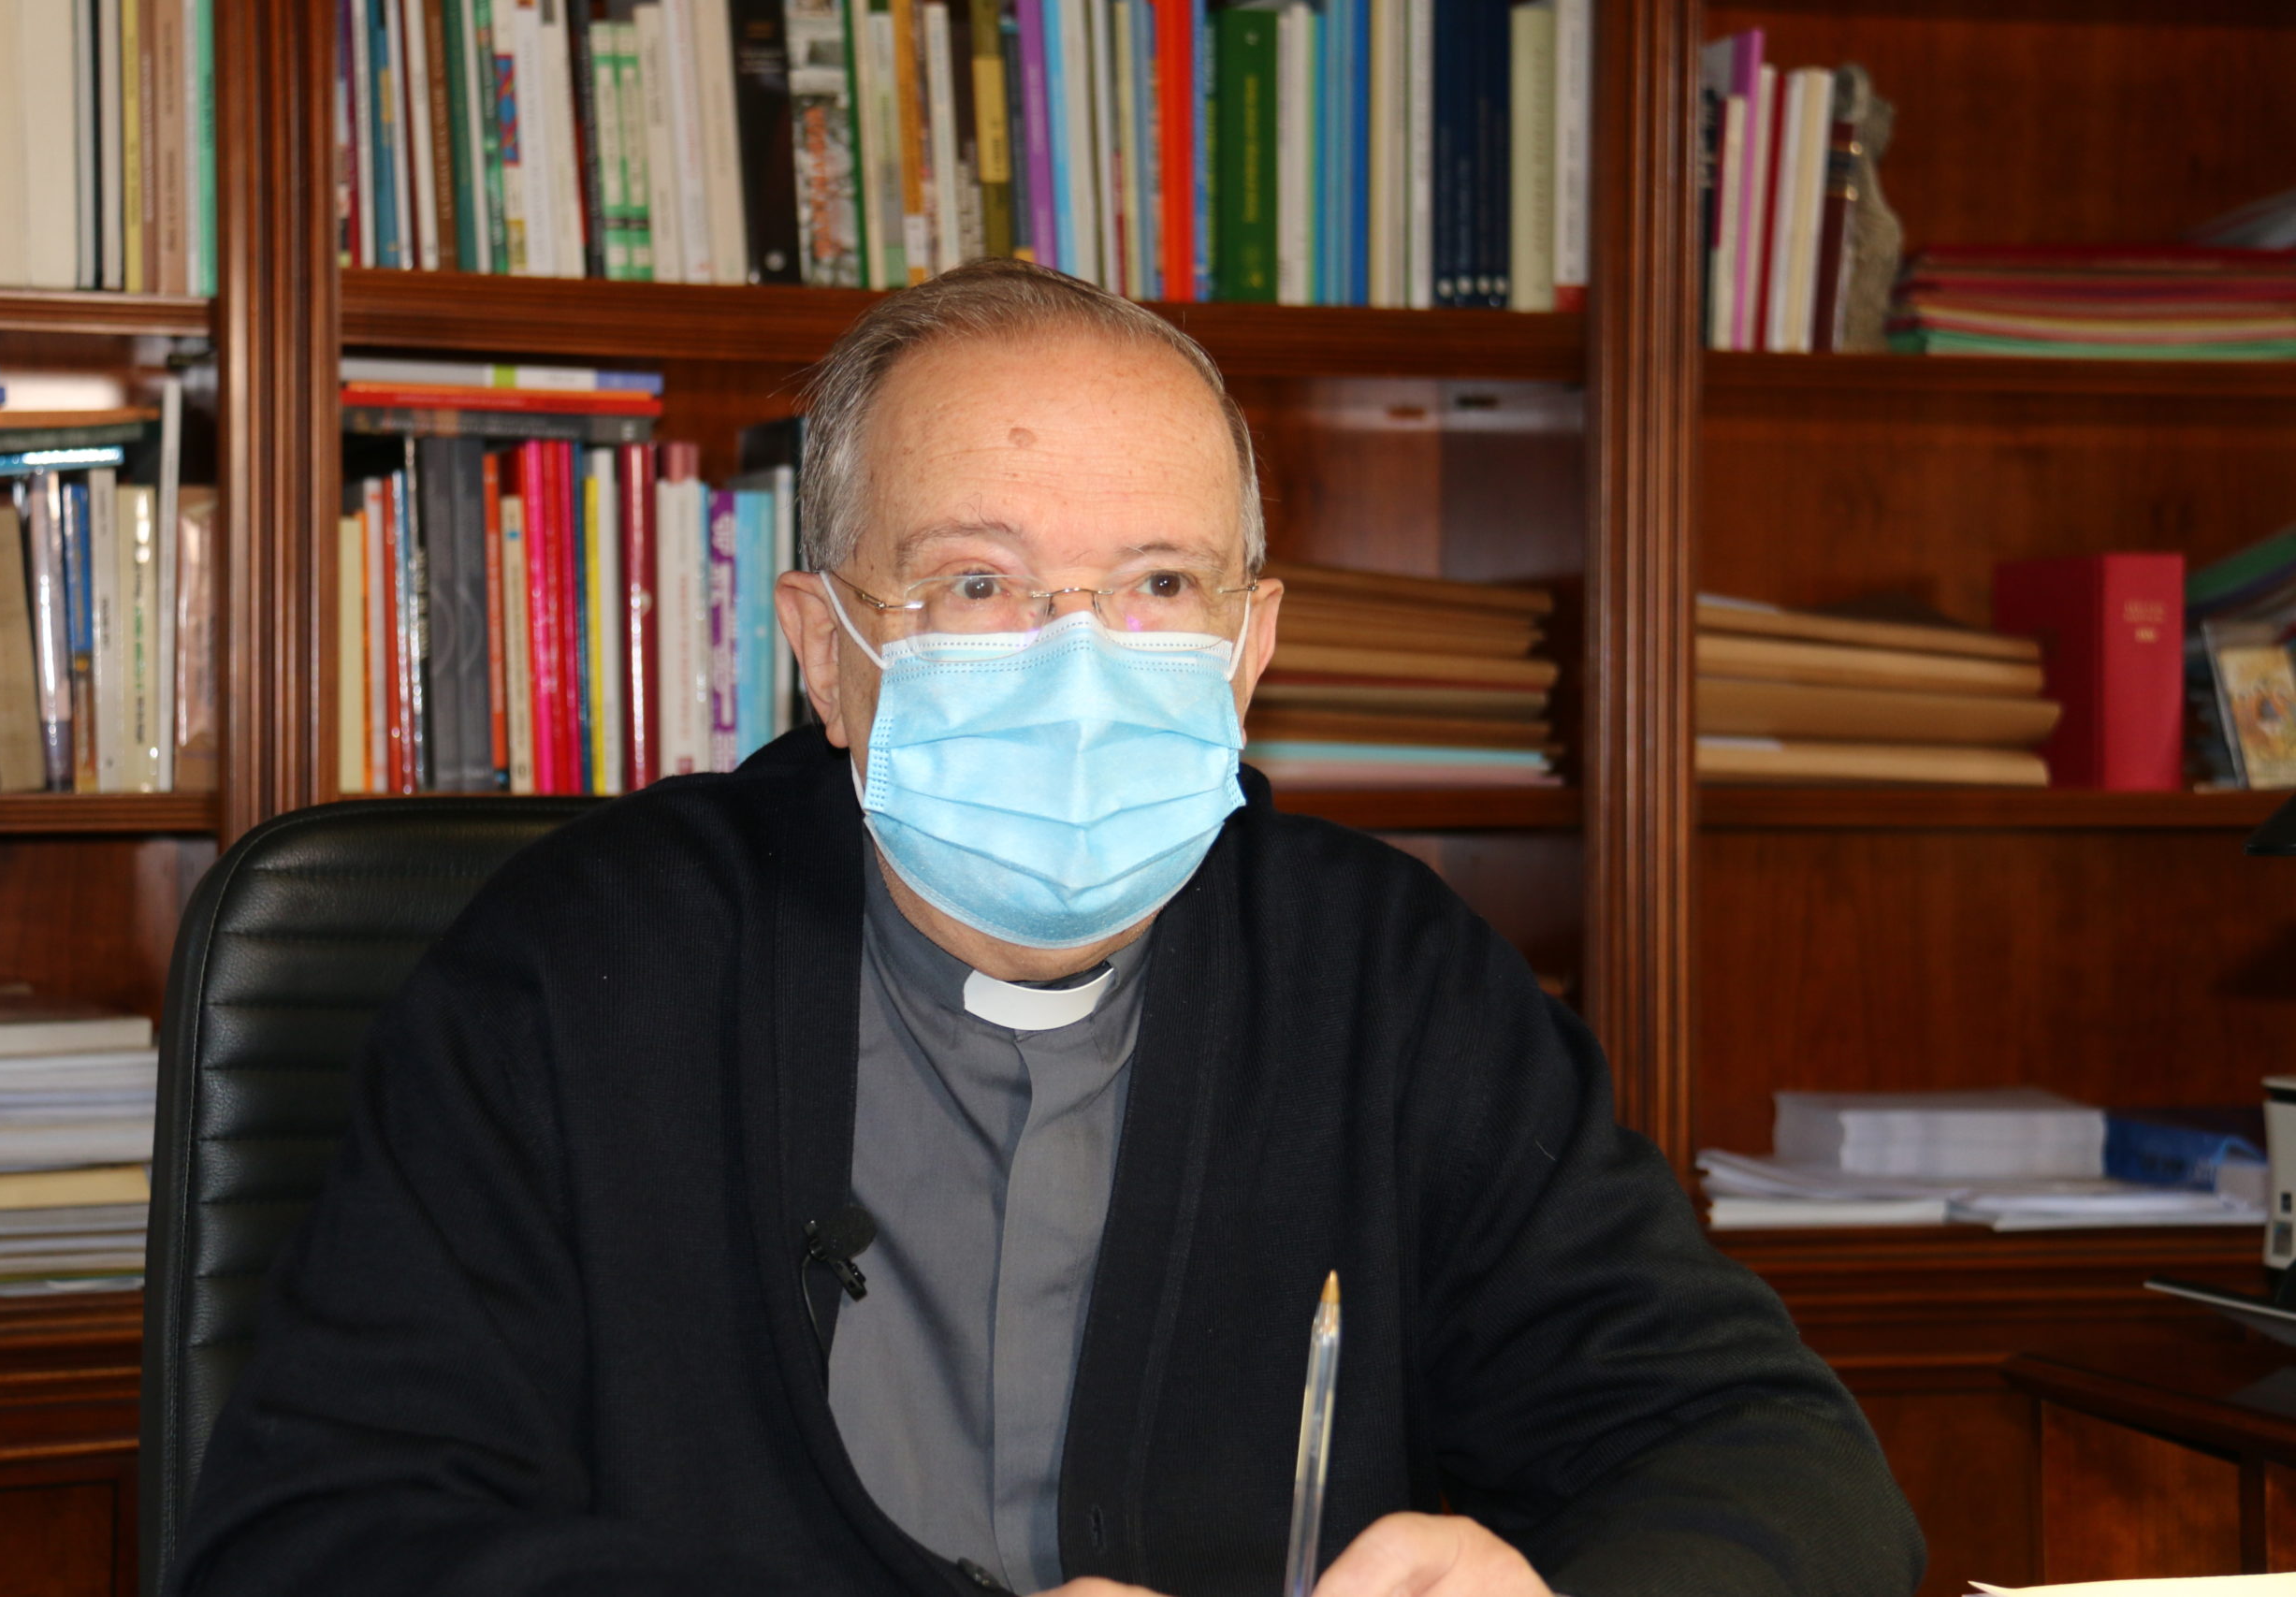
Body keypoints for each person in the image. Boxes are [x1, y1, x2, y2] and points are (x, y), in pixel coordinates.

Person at [172, 259, 1923, 1597]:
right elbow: (312, 1541)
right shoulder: (575, 970)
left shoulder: (1386, 980)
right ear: (824, 649)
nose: (1080, 662)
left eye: (1159, 583)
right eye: (978, 582)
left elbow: (1775, 1460)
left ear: (1250, 647)